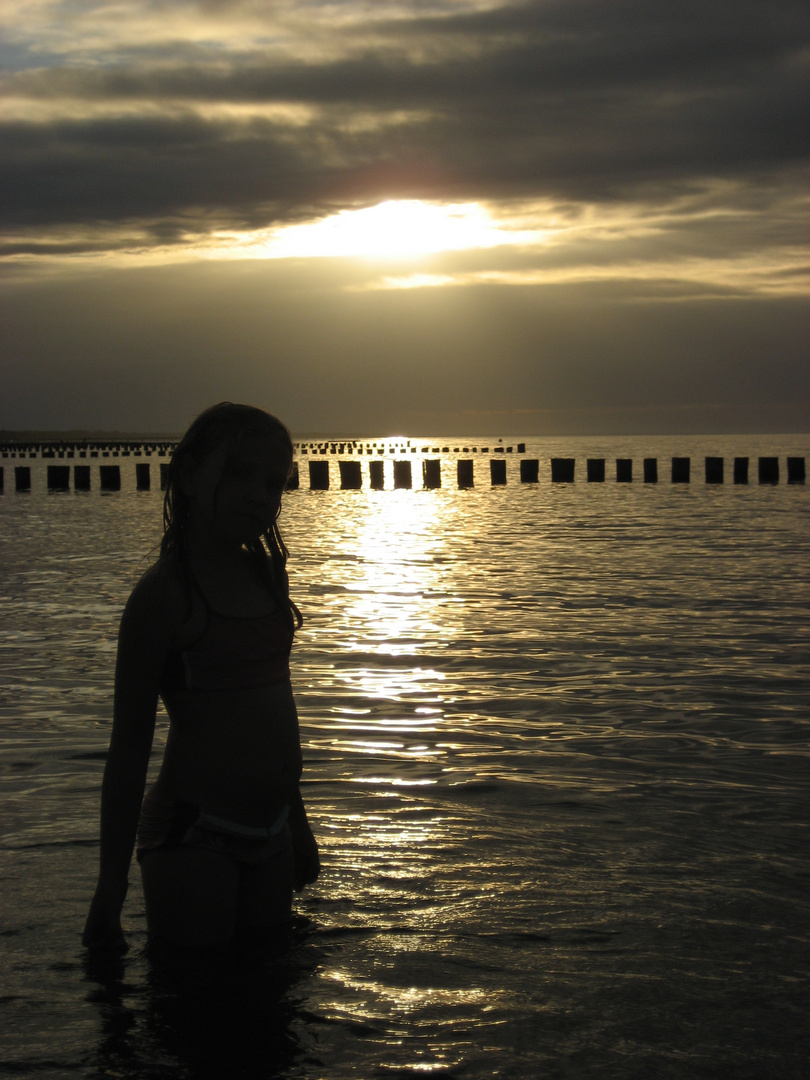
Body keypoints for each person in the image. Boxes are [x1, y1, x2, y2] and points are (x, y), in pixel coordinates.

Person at [83, 403, 319, 953]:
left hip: (274, 828)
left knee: (269, 1008)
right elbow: (129, 748)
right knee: (197, 1007)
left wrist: (298, 825)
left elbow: (274, 720)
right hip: (195, 834)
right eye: (238, 473)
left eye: (273, 482)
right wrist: (109, 891)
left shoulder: (266, 576)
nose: (260, 494)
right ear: (188, 475)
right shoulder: (166, 596)